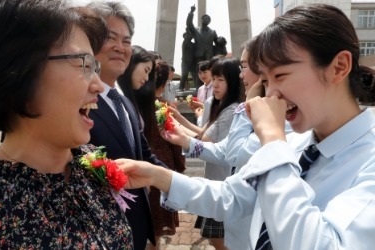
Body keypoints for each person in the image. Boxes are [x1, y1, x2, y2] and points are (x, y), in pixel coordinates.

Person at [116, 4, 375, 249]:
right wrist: (157, 176)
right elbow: (231, 196)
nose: (270, 94)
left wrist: (272, 141)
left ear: (338, 67)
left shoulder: (366, 159)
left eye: (280, 76)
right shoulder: (296, 145)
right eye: (264, 80)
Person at [0, 0, 133, 248]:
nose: (98, 85)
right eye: (84, 64)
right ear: (18, 70)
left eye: (96, 67)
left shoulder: (91, 167)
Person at [87, 1, 165, 249]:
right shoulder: (78, 103)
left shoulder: (124, 103)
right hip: (99, 232)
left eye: (127, 41)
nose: (120, 48)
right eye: (111, 38)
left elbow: (144, 155)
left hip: (137, 226)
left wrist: (173, 181)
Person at [170, 57, 242, 249]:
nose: (215, 85)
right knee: (216, 239)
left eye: (221, 80)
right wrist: (178, 121)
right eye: (215, 78)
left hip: (223, 183)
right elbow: (203, 133)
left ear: (233, 81)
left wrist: (175, 127)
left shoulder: (232, 110)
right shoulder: (221, 106)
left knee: (220, 240)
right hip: (215, 179)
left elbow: (205, 141)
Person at [135, 60, 186, 250]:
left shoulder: (133, 104)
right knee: (156, 224)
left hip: (138, 164)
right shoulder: (163, 108)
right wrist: (179, 166)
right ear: (164, 84)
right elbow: (175, 142)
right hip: (161, 164)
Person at [117, 45, 156, 116]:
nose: (147, 78)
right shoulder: (113, 95)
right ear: (132, 63)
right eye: (146, 70)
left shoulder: (133, 100)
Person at [187, 5, 218, 88]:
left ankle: (211, 88)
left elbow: (217, 43)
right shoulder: (196, 30)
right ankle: (199, 89)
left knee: (210, 72)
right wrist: (191, 12)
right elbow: (189, 24)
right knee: (199, 72)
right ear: (201, 20)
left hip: (209, 56)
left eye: (207, 19)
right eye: (204, 18)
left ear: (209, 21)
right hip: (198, 55)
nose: (205, 20)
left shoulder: (213, 32)